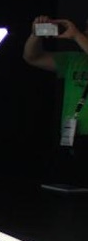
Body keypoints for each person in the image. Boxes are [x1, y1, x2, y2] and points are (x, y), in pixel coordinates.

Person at [23, 15, 88, 192]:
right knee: (65, 192)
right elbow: (32, 57)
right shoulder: (74, 59)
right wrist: (35, 35)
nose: (85, 31)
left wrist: (76, 35)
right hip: (72, 137)